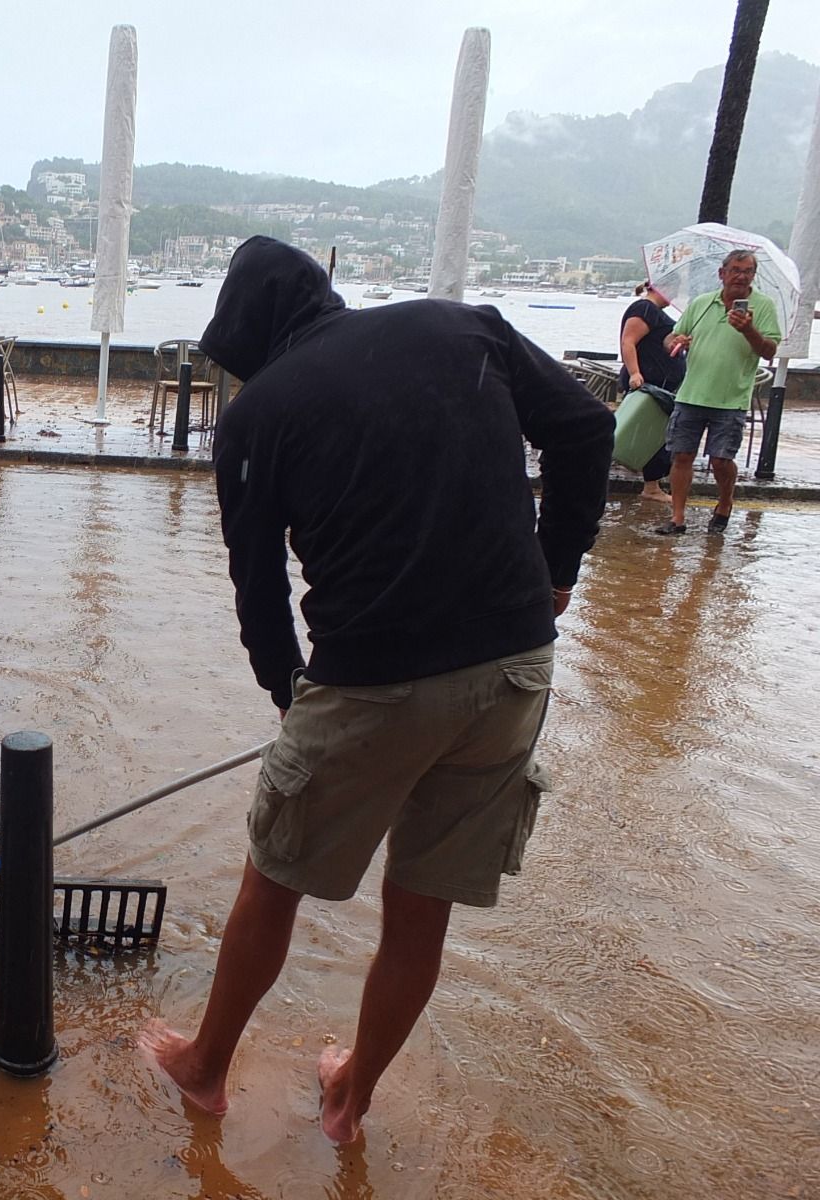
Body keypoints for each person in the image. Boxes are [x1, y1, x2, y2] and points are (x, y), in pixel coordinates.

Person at [139, 237, 613, 1144]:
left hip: (373, 682)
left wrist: (294, 704)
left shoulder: (258, 415)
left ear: (253, 331)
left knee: (273, 874)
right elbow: (587, 429)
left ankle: (203, 1069)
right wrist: (557, 570)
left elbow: (258, 591)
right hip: (516, 670)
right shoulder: (461, 325)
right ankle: (350, 1097)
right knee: (421, 901)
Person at [653, 250, 780, 536]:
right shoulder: (701, 304)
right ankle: (678, 517)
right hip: (691, 395)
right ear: (722, 274)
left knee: (721, 459)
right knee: (682, 456)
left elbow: (769, 350)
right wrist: (677, 341)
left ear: (753, 276)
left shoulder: (763, 306)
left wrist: (748, 330)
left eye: (747, 271)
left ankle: (725, 503)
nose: (741, 276)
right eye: (735, 269)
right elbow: (669, 338)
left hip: (731, 399)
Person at [617, 280, 687, 503]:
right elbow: (628, 341)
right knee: (653, 434)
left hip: (660, 383)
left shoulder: (652, 311)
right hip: (650, 384)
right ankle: (651, 485)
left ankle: (652, 483)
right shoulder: (645, 309)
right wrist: (635, 373)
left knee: (654, 433)